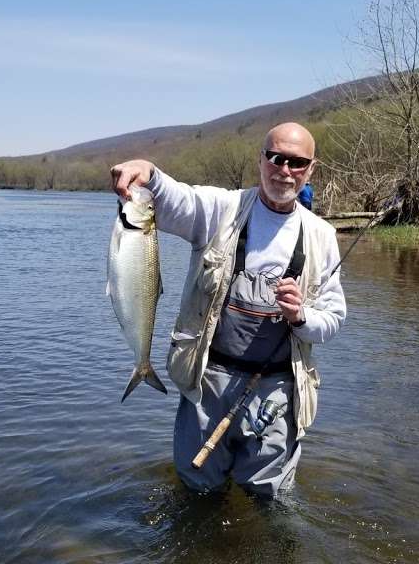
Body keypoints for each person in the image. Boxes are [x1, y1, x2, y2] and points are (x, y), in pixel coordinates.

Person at [110, 122, 346, 497]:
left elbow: (333, 320)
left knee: (270, 501)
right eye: (276, 158)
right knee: (195, 491)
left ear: (311, 169)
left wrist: (301, 316)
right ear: (261, 160)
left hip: (278, 391)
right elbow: (176, 200)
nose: (285, 170)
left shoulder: (322, 236)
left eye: (297, 163)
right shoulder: (222, 208)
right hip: (208, 382)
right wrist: (149, 173)